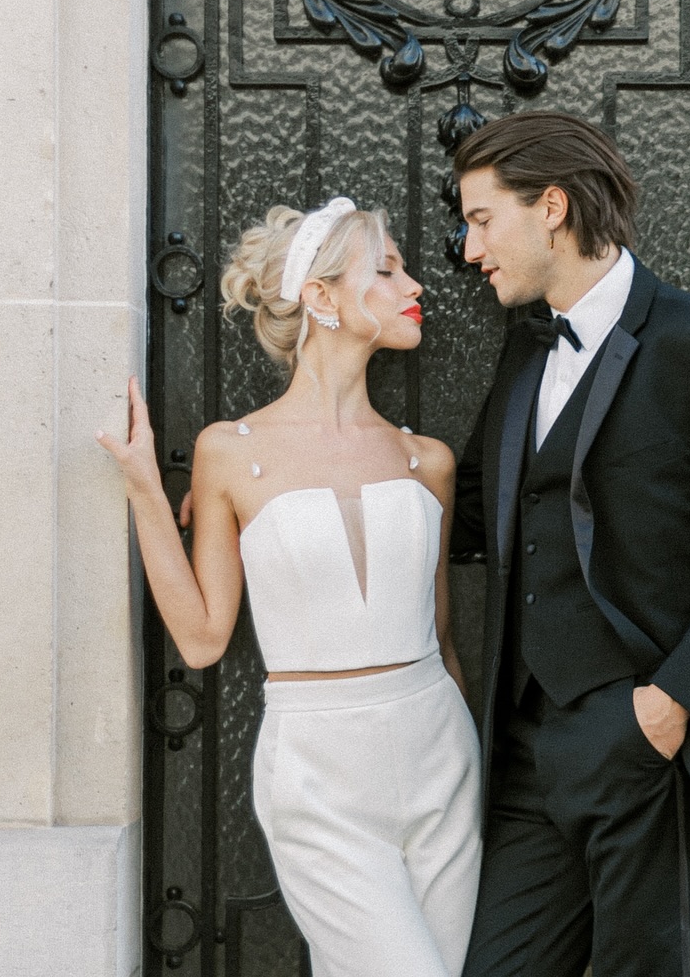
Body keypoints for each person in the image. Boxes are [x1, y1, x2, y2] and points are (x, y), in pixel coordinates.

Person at [449, 112, 690, 977]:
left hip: (640, 744)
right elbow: (469, 515)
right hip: (524, 752)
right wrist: (304, 473)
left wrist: (672, 705)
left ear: (550, 206)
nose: (470, 249)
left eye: (481, 220)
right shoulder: (525, 349)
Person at [98, 199, 482, 977]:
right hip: (317, 772)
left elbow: (441, 641)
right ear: (322, 298)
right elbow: (204, 638)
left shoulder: (428, 461)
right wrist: (144, 491)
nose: (415, 284)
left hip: (442, 754)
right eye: (387, 269)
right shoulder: (230, 454)